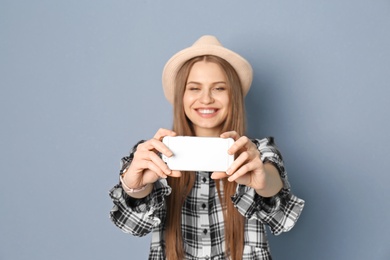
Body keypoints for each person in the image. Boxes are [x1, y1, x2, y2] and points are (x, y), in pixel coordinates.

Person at [109, 35, 304, 260]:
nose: (206, 99)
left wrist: (263, 181)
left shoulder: (256, 152)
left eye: (219, 88)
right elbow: (133, 225)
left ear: (234, 96)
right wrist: (135, 186)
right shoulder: (153, 153)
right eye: (194, 88)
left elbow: (276, 197)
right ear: (181, 95)